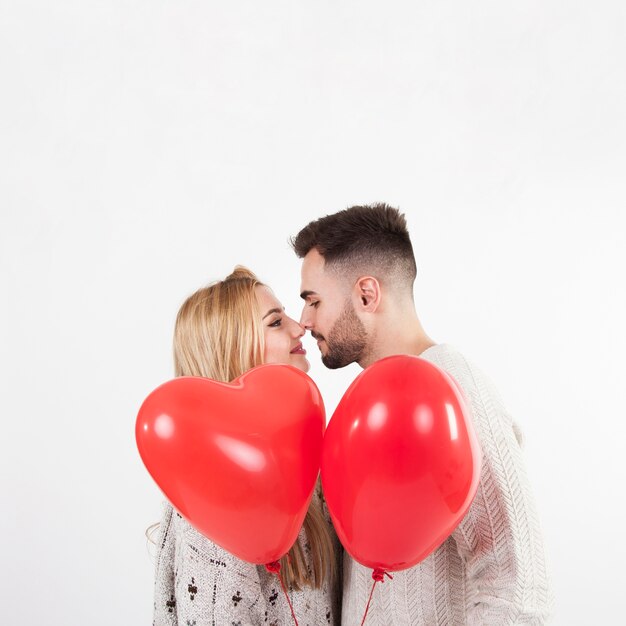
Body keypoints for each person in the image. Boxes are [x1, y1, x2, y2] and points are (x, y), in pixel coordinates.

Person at [291, 204, 552, 625]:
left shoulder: (458, 388)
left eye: (314, 301)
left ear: (366, 294)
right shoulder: (360, 409)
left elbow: (519, 589)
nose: (304, 320)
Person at [151, 266, 341, 626]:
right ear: (233, 348)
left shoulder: (305, 468)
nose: (299, 327)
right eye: (274, 322)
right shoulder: (209, 500)